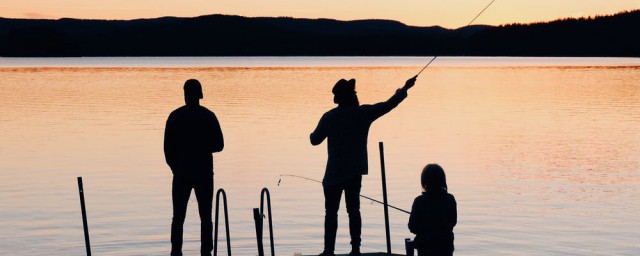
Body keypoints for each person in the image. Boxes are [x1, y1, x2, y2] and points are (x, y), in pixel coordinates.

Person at [310, 76, 417, 256]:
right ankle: (356, 249)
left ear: (338, 98)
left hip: (333, 174)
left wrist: (313, 133)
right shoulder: (363, 114)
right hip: (354, 172)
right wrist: (405, 88)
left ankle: (329, 251)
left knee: (331, 213)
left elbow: (314, 140)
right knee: (354, 210)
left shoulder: (330, 117)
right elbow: (389, 104)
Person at [164, 79, 224, 256]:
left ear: (185, 95)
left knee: (178, 218)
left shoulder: (175, 117)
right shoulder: (208, 116)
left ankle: (176, 252)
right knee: (206, 217)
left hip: (182, 173)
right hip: (203, 173)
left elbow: (168, 149)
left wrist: (176, 168)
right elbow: (219, 145)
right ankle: (206, 252)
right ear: (200, 95)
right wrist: (204, 147)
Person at [408, 164, 457, 256]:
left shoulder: (419, 201)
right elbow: (452, 222)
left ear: (424, 181)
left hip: (425, 249)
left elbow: (412, 227)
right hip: (446, 248)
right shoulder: (450, 199)